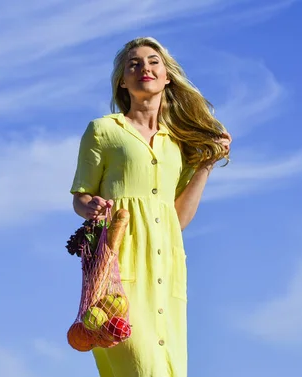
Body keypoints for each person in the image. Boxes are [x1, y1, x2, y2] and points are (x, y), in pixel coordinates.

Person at [70, 36, 231, 377]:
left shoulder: (177, 144)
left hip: (167, 267)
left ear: (167, 76)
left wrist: (205, 165)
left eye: (153, 61)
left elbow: (179, 218)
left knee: (166, 368)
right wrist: (91, 206)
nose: (145, 67)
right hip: (117, 265)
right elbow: (80, 197)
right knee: (138, 364)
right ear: (122, 80)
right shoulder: (103, 131)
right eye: (134, 64)